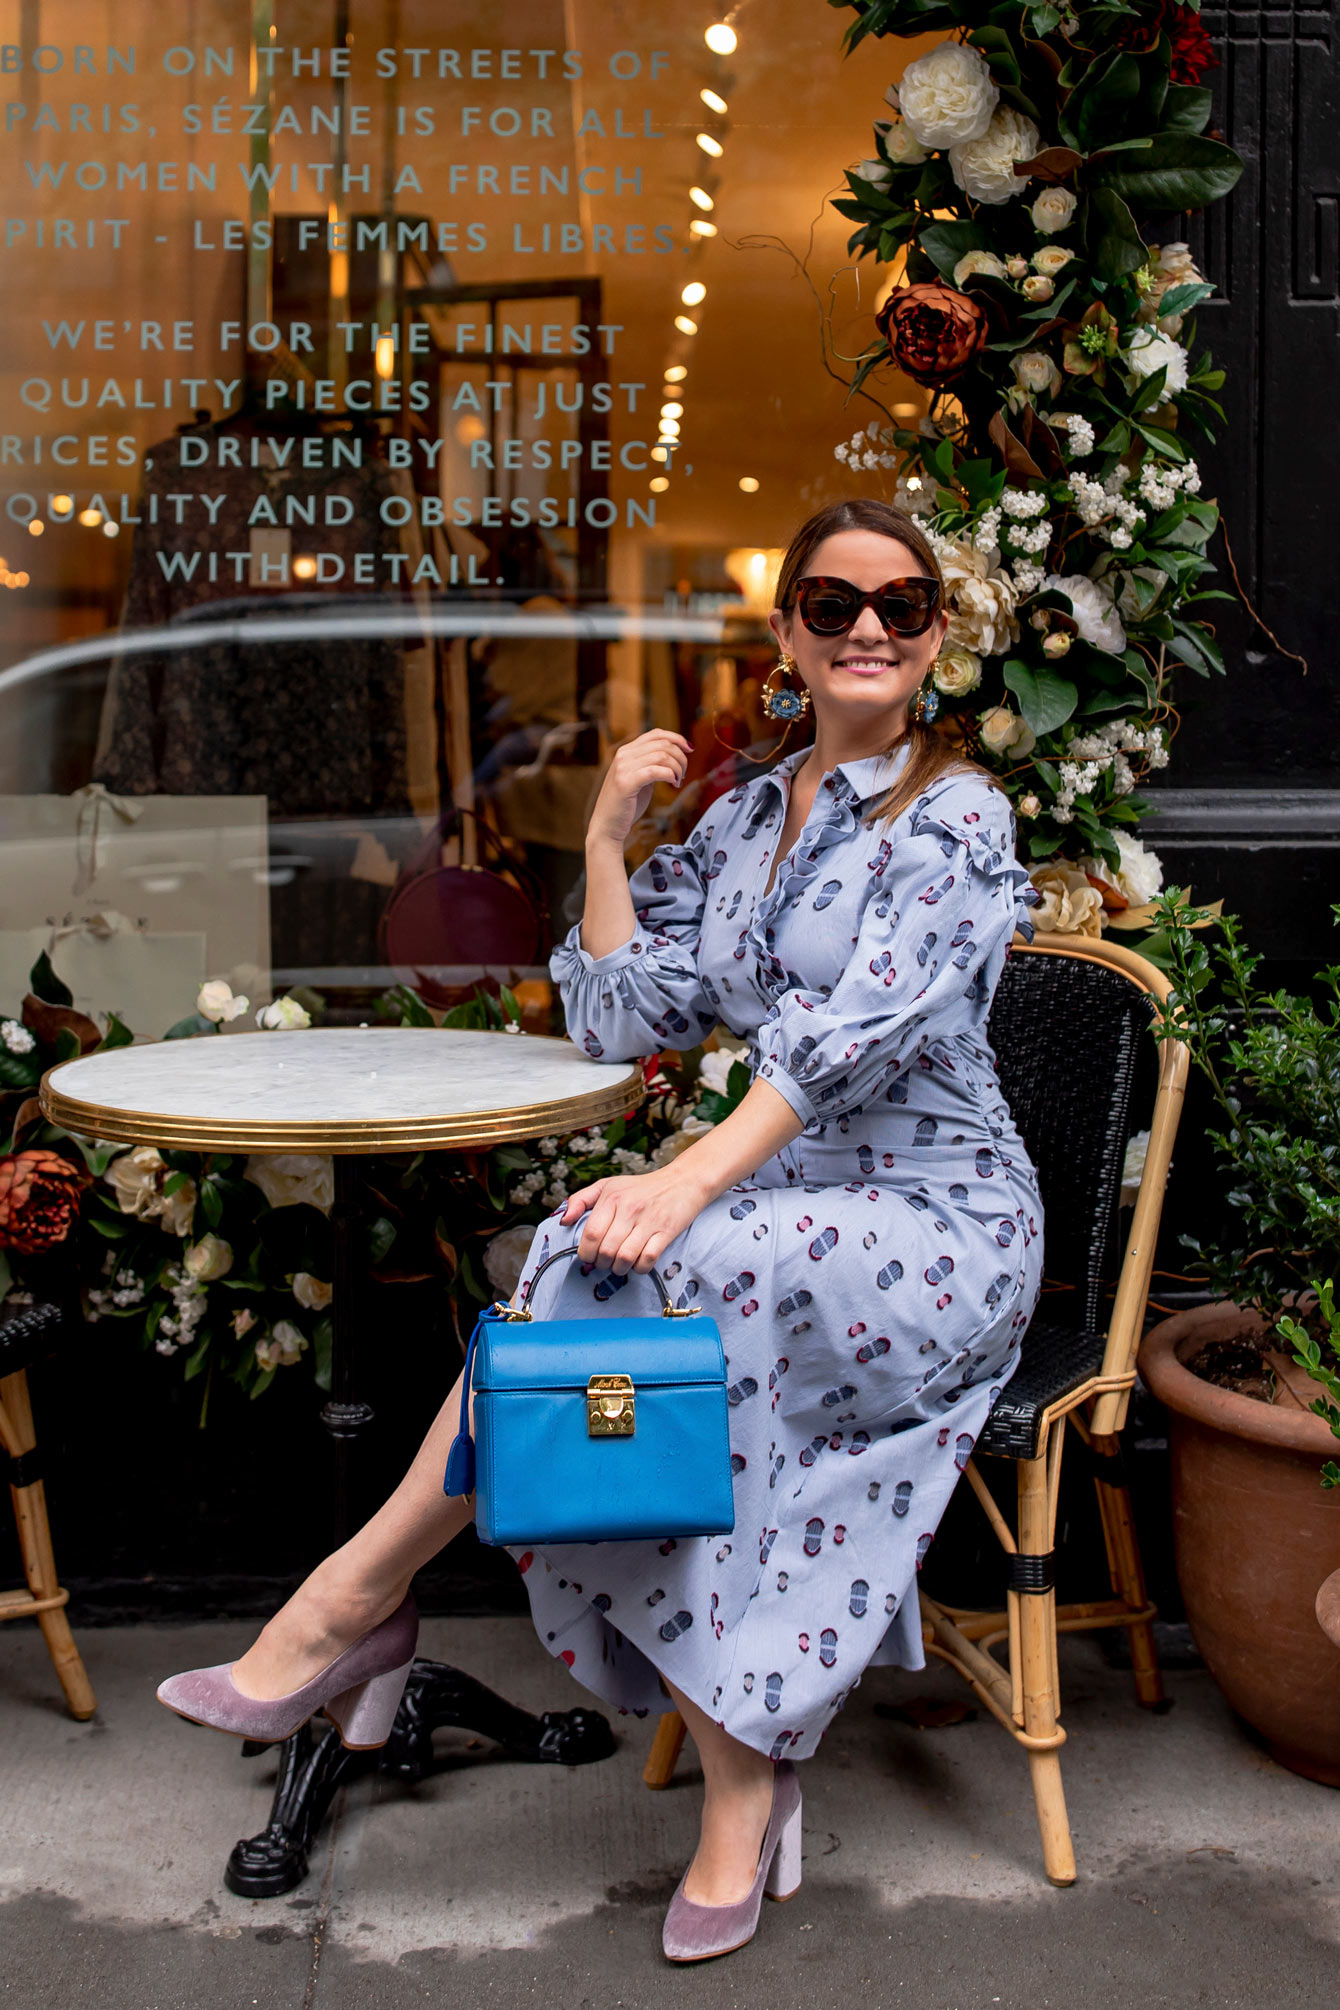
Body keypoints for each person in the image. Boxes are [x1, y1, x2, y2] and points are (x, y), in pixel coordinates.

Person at [157, 497, 1044, 1964]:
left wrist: (690, 1180)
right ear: (789, 635)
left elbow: (841, 1046)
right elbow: (625, 1011)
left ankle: (351, 1603)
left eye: (901, 605)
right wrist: (612, 836)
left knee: (660, 1264)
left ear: (940, 635)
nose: (868, 628)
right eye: (833, 604)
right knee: (606, 1279)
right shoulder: (754, 813)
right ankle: (730, 1775)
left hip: (937, 1219)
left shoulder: (955, 815)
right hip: (783, 1211)